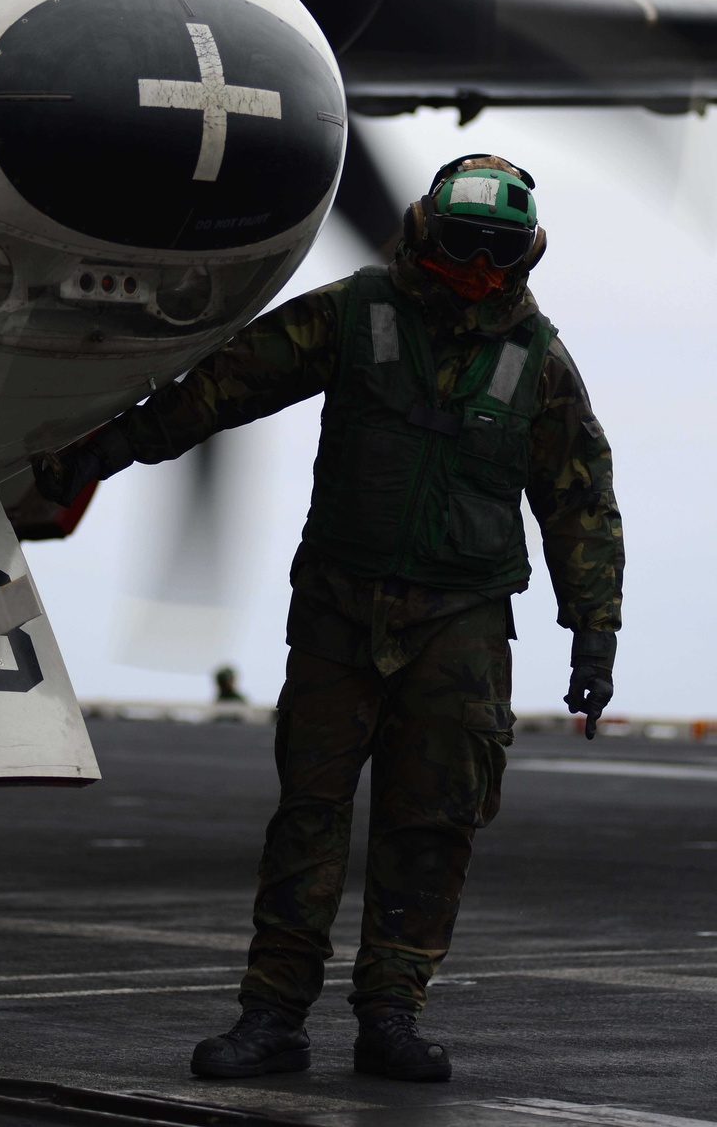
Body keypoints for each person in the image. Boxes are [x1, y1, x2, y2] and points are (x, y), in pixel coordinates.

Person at [33, 155, 623, 1085]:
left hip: (461, 626)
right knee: (308, 819)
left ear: (525, 258)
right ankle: (273, 1018)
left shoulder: (536, 365)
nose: (479, 270)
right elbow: (224, 385)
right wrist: (104, 453)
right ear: (429, 235)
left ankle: (392, 1012)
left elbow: (582, 501)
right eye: (464, 246)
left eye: (498, 254)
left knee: (432, 824)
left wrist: (596, 633)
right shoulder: (355, 315)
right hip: (342, 612)